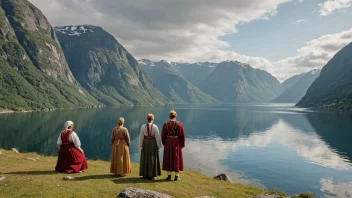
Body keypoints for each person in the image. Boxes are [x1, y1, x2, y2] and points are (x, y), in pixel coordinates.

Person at [162, 110, 186, 181]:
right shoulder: (180, 124)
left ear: (169, 116)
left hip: (168, 142)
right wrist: (182, 144)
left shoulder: (166, 124)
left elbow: (163, 135)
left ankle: (169, 176)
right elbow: (182, 135)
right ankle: (176, 176)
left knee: (168, 158)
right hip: (176, 142)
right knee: (176, 158)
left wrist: (164, 143)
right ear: (175, 116)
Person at [139, 113, 162, 180]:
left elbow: (141, 136)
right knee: (152, 158)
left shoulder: (143, 126)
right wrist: (159, 145)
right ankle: (152, 175)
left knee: (145, 157)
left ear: (147, 119)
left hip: (145, 142)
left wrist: (141, 145)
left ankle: (144, 175)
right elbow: (157, 136)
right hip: (152, 142)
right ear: (153, 119)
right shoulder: (155, 126)